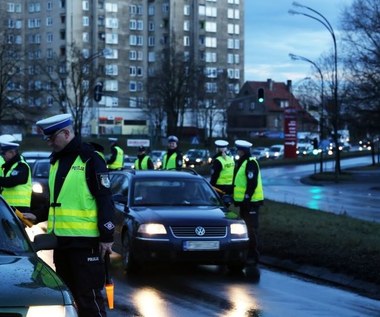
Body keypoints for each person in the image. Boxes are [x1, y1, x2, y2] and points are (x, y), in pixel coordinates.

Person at [35, 113, 115, 317]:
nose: (49, 143)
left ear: (66, 133)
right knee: (67, 299)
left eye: (52, 138)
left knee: (88, 300)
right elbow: (57, 200)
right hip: (61, 244)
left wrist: (107, 236)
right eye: (47, 139)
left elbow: (105, 198)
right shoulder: (56, 161)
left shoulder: (90, 159)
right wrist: (36, 216)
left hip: (85, 244)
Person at [232, 139, 264, 265]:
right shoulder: (242, 162)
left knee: (251, 229)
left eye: (238, 150)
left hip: (251, 202)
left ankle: (253, 255)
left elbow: (252, 182)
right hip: (245, 202)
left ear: (243, 151)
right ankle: (247, 253)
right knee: (246, 228)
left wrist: (247, 197)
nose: (237, 152)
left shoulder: (250, 163)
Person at [0, 140, 35, 219]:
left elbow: (10, 182)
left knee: (16, 230)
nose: (2, 156)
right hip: (9, 206)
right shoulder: (8, 166)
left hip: (20, 207)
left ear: (12, 152)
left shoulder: (21, 166)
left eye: (4, 153)